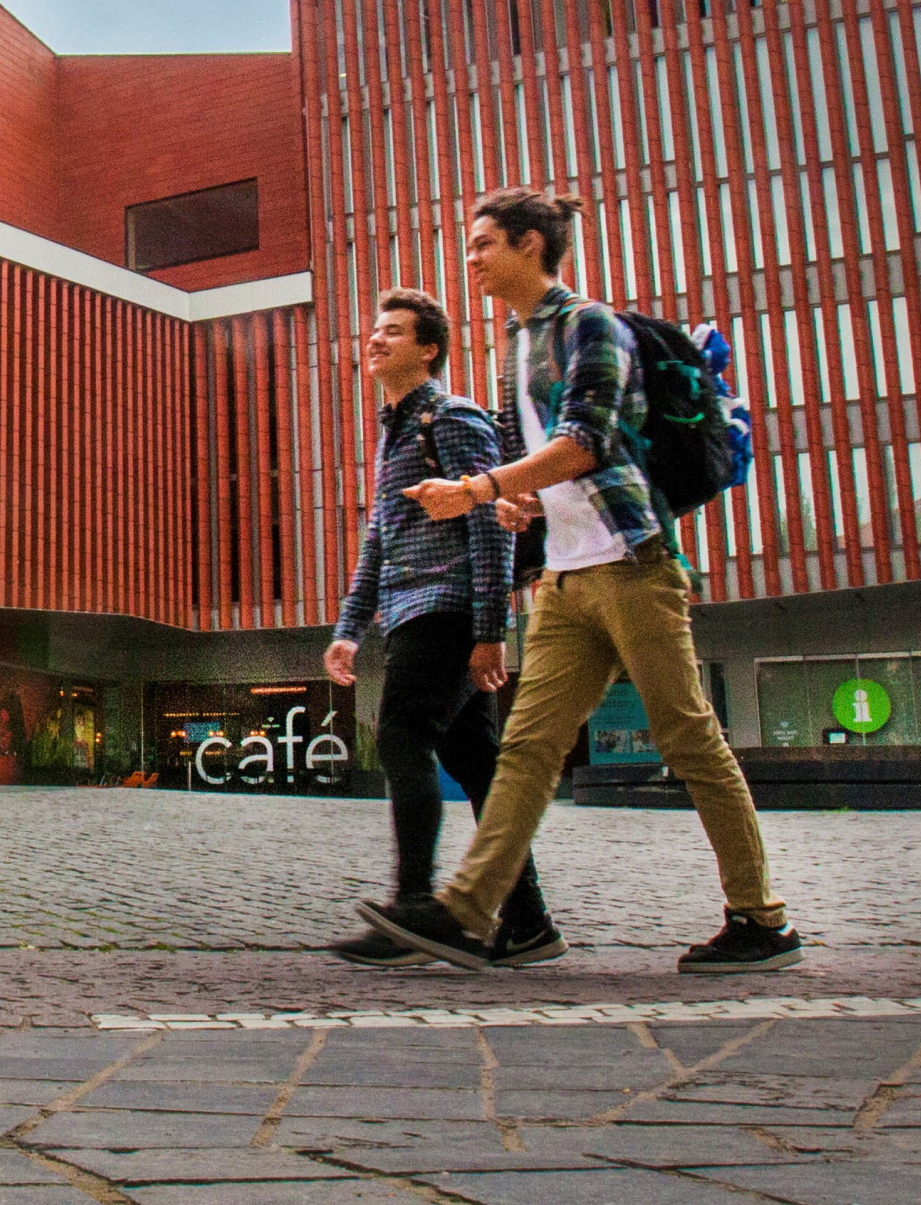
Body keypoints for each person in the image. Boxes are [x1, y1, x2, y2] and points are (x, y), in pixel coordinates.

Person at [363, 188, 801, 976]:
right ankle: (472, 913)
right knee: (528, 748)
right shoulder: (513, 345)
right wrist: (522, 503)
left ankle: (759, 916)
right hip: (564, 579)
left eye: (483, 242)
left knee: (687, 737)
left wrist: (480, 488)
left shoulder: (588, 325)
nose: (472, 258)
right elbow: (547, 464)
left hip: (632, 562)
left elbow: (586, 442)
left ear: (531, 244)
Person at [322, 290, 558, 970]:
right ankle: (528, 919)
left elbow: (490, 522)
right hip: (410, 608)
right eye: (373, 328)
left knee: (401, 734)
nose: (375, 338)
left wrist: (491, 629)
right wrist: (350, 627)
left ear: (428, 348)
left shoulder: (450, 419)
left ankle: (414, 904)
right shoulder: (393, 430)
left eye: (391, 330)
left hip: (446, 609)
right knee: (476, 761)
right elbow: (380, 538)